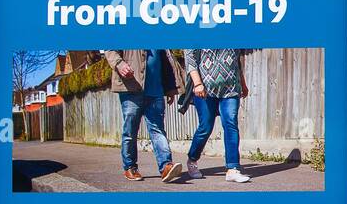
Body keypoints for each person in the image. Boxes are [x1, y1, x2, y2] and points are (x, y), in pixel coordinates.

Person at [104, 49, 184, 183]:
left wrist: (170, 88)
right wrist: (119, 63)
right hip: (131, 88)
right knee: (130, 131)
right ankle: (130, 167)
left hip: (156, 91)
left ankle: (166, 166)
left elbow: (166, 61)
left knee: (158, 130)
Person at [184, 48, 251, 183]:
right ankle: (192, 159)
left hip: (231, 89)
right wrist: (197, 83)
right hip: (205, 90)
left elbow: (236, 60)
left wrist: (242, 83)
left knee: (231, 124)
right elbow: (190, 57)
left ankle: (233, 169)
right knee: (205, 128)